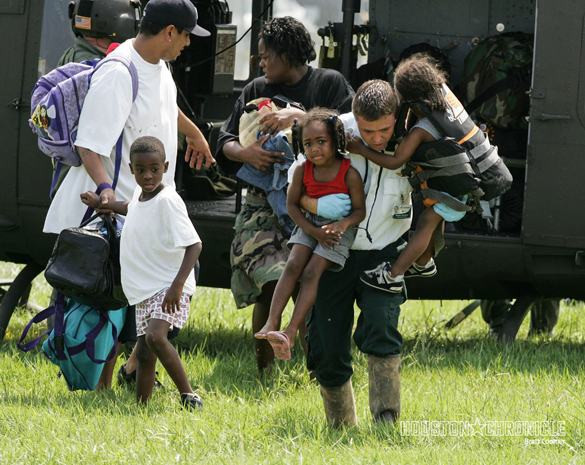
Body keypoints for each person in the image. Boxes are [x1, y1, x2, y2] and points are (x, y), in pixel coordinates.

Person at [43, 0, 215, 390]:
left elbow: (165, 104)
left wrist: (192, 131)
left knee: (159, 290)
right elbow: (88, 145)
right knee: (110, 302)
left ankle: (128, 372)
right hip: (114, 209)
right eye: (187, 35)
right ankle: (99, 385)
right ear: (170, 32)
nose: (189, 44)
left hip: (147, 211)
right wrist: (106, 194)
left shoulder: (160, 65)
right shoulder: (119, 72)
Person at [215, 16, 354, 373]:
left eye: (265, 56)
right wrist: (245, 154)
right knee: (271, 281)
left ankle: (317, 371)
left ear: (287, 54)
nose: (260, 64)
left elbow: (352, 132)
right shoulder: (255, 89)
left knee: (312, 287)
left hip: (317, 206)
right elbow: (225, 141)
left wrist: (302, 117)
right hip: (264, 203)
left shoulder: (329, 83)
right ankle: (264, 370)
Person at [296, 79, 412, 427]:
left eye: (385, 130)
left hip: (384, 252)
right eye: (367, 130)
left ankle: (386, 419)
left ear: (397, 117)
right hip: (334, 251)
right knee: (327, 342)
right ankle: (340, 425)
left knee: (382, 328)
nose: (377, 139)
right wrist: (313, 210)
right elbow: (297, 176)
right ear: (354, 119)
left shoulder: (417, 137)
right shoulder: (334, 131)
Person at [81, 136, 203, 409]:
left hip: (169, 286)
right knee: (145, 355)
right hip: (145, 289)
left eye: (154, 169)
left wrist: (177, 286)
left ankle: (189, 395)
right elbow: (132, 208)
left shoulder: (168, 201)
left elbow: (195, 245)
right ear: (131, 168)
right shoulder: (140, 194)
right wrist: (100, 204)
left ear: (166, 167)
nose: (147, 176)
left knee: (155, 337)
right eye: (140, 170)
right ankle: (141, 407)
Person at [350, 53, 474, 293]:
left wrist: (360, 149)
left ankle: (393, 276)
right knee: (433, 215)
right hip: (460, 187)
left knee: (426, 222)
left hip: (456, 189)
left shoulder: (423, 128)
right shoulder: (445, 112)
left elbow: (396, 161)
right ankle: (424, 262)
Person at [254, 109, 366, 360]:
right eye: (308, 143)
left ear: (336, 141)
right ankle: (272, 323)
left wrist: (342, 225)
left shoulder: (349, 173)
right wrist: (313, 230)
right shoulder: (302, 169)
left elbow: (359, 211)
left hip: (338, 228)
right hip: (309, 223)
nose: (314, 148)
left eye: (321, 142)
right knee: (292, 264)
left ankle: (291, 331)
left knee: (311, 271)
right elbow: (292, 206)